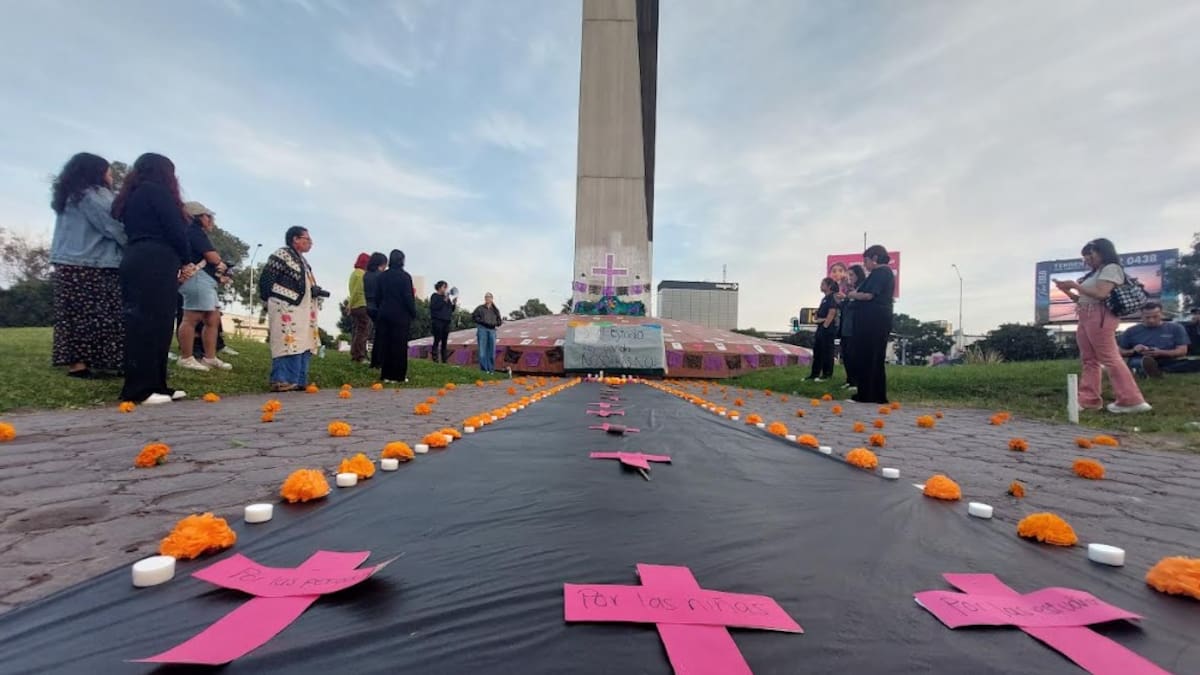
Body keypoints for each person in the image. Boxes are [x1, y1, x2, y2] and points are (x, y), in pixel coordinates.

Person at [112, 153, 193, 405]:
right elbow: (175, 229)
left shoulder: (135, 194)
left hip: (139, 256)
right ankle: (139, 389)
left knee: (156, 324)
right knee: (148, 324)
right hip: (154, 258)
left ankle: (157, 385)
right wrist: (186, 258)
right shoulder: (156, 192)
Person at [48, 152, 127, 379]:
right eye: (108, 171)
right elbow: (113, 226)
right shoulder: (93, 195)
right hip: (92, 262)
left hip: (69, 262)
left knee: (74, 315)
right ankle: (99, 362)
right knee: (102, 314)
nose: (111, 176)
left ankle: (79, 364)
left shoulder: (69, 196)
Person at [1054, 238, 1151, 413]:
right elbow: (1081, 298)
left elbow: (1101, 294)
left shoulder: (1111, 268)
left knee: (1109, 357)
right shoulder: (1094, 273)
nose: (1087, 258)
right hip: (1085, 314)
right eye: (1085, 256)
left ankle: (1131, 400)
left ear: (1103, 252)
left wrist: (1075, 285)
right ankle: (1088, 400)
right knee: (1089, 359)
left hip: (1100, 315)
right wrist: (1067, 290)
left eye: (1091, 254)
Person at [259, 227, 320, 392]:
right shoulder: (282, 255)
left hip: (303, 309)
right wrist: (270, 299)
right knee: (287, 340)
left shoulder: (303, 261)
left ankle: (299, 379)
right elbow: (266, 279)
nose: (310, 243)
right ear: (295, 239)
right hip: (285, 306)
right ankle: (282, 379)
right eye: (307, 239)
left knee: (303, 341)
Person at [176, 202, 232, 372]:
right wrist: (221, 264)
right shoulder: (193, 231)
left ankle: (210, 357)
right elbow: (213, 257)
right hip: (197, 279)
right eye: (208, 216)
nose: (211, 220)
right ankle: (186, 357)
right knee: (191, 318)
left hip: (205, 280)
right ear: (197, 217)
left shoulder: (193, 231)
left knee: (212, 318)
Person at [846, 245, 894, 405]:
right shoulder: (879, 273)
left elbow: (868, 295)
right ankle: (874, 395)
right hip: (873, 321)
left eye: (865, 260)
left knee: (869, 357)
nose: (864, 264)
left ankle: (867, 395)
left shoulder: (881, 272)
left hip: (874, 322)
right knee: (872, 358)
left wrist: (852, 295)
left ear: (875, 258)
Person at [1119, 302, 1198, 377]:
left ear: (1161, 314)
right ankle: (1153, 369)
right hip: (1140, 359)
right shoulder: (1131, 331)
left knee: (1192, 363)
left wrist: (1160, 352)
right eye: (1147, 317)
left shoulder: (1176, 328)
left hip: (1168, 360)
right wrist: (1134, 350)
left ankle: (1157, 370)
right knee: (1137, 362)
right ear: (1141, 316)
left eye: (1155, 316)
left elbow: (1182, 351)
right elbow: (1120, 352)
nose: (1151, 320)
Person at [375, 249, 417, 382]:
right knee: (399, 345)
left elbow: (377, 296)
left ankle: (385, 374)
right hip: (401, 315)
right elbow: (408, 297)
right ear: (402, 261)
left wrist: (381, 308)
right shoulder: (405, 277)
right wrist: (413, 312)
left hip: (385, 313)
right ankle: (399, 375)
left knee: (386, 344)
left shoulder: (382, 276)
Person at [836, 264, 866, 390]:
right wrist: (841, 302)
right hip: (845, 329)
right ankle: (850, 379)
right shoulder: (851, 292)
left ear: (858, 275)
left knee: (854, 356)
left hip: (855, 329)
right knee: (846, 356)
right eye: (849, 275)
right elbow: (845, 308)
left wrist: (848, 296)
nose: (850, 277)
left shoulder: (861, 289)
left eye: (852, 275)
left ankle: (856, 382)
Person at [806, 277, 839, 381]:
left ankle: (827, 374)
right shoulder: (824, 299)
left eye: (823, 284)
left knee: (827, 352)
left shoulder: (832, 297)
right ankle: (814, 374)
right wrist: (817, 316)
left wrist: (825, 325)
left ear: (829, 286)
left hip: (827, 328)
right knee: (818, 351)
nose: (821, 286)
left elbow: (832, 313)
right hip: (820, 327)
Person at [363, 251, 388, 367]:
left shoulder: (366, 275)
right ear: (381, 264)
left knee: (377, 334)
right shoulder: (380, 276)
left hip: (369, 306)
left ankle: (375, 361)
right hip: (379, 307)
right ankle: (380, 360)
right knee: (382, 336)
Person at [347, 252, 370, 363]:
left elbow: (352, 292)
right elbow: (357, 291)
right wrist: (350, 305)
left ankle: (355, 353)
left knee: (357, 331)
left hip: (355, 306)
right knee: (363, 331)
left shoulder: (354, 274)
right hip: (362, 304)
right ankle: (360, 355)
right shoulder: (362, 274)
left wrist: (350, 305)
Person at [472, 293, 502, 373]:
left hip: (492, 330)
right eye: (486, 297)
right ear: (484, 299)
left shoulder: (495, 310)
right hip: (482, 329)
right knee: (482, 350)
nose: (488, 298)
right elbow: (474, 317)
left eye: (489, 297)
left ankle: (491, 369)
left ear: (492, 299)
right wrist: (483, 322)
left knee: (491, 350)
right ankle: (484, 369)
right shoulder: (480, 308)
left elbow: (500, 321)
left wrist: (495, 323)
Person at [430, 280, 457, 363]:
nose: (445, 289)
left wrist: (453, 304)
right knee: (437, 339)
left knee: (444, 341)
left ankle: (444, 360)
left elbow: (450, 310)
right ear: (439, 287)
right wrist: (444, 300)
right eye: (444, 287)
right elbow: (435, 307)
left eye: (446, 287)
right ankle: (435, 358)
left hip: (446, 321)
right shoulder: (435, 296)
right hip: (438, 321)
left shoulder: (447, 298)